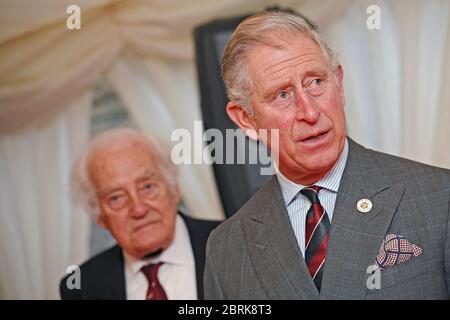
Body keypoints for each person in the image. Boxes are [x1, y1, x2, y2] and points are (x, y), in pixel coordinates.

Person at [204, 10, 450, 299]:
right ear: (246, 119)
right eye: (282, 94)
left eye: (316, 82)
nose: (310, 112)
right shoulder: (226, 248)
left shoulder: (438, 198)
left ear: (340, 84)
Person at [60, 128, 219, 300]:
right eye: (116, 198)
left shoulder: (236, 242)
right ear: (99, 216)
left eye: (147, 187)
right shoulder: (82, 287)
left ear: (174, 189)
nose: (138, 209)